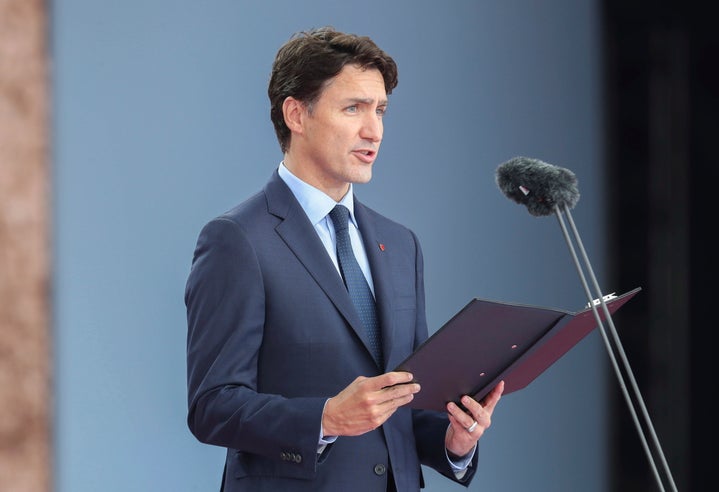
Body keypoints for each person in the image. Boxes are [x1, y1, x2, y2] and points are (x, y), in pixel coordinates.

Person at [185, 26, 504, 492]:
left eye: (380, 110)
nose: (373, 129)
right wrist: (326, 418)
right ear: (296, 113)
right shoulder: (237, 240)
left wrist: (456, 441)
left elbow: (405, 406)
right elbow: (212, 406)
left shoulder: (400, 244)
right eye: (353, 108)